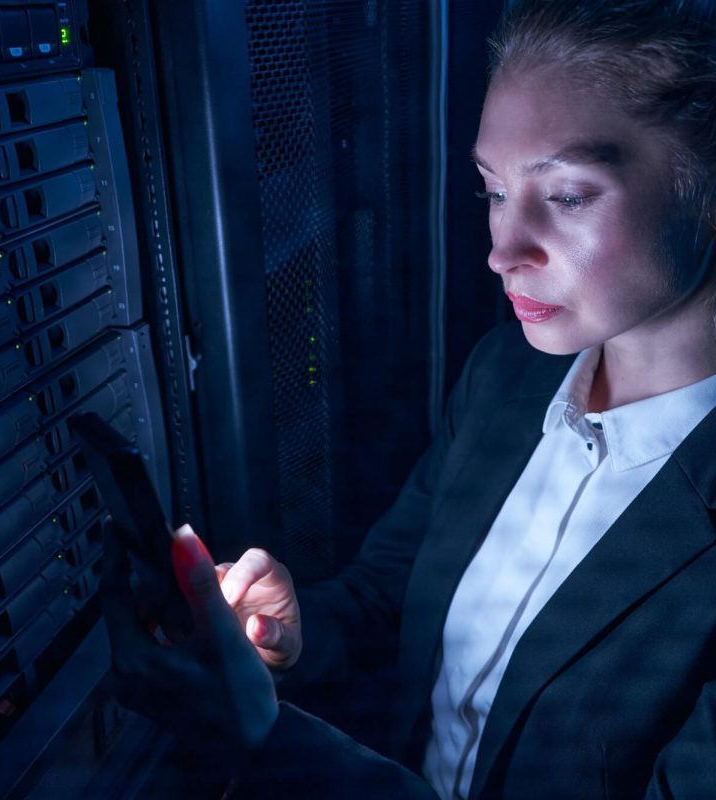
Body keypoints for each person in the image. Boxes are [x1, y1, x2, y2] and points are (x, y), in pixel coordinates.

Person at [101, 1, 716, 797]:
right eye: (492, 190)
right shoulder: (505, 377)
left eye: (565, 195)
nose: (501, 250)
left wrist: (264, 738)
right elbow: (389, 594)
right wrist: (289, 633)